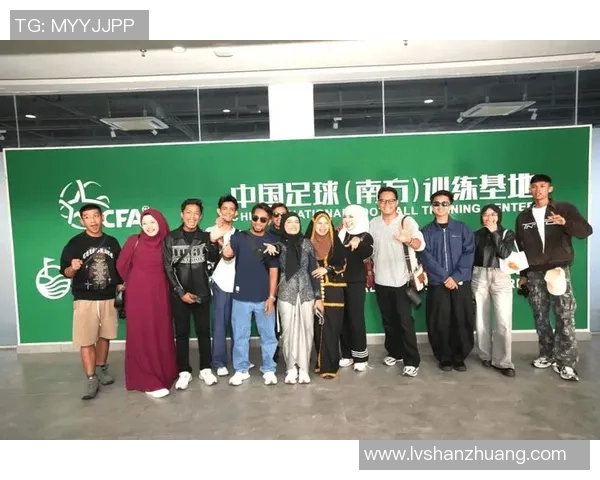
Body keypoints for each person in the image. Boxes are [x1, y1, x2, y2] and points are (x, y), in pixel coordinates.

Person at [515, 173, 593, 382]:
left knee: (564, 315)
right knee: (540, 316)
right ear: (530, 190)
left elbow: (585, 231)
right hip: (534, 271)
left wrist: (565, 222)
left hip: (558, 270)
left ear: (550, 189)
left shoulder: (563, 208)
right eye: (534, 187)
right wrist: (523, 275)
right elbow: (521, 248)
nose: (538, 190)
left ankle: (566, 362)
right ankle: (547, 354)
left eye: (542, 186)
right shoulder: (523, 217)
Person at [59, 204, 122, 400]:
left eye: (96, 216)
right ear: (82, 220)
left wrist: (122, 285)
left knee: (105, 336)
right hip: (85, 298)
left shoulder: (112, 242)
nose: (93, 220)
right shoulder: (75, 243)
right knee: (86, 340)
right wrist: (72, 268)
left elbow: (120, 269)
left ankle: (101, 368)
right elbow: (66, 272)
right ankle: (91, 377)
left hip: (108, 297)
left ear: (102, 217)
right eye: (88, 217)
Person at [117, 209, 178, 398]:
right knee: (142, 334)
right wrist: (137, 281)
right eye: (145, 223)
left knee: (161, 332)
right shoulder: (133, 241)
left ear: (161, 222)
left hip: (161, 295)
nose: (149, 227)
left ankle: (165, 372)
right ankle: (148, 380)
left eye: (152, 222)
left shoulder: (168, 242)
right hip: (139, 297)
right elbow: (121, 265)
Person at [163, 198, 221, 390]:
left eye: (196, 213)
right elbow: (168, 268)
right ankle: (184, 371)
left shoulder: (205, 237)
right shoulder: (171, 238)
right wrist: (180, 292)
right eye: (188, 212)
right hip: (179, 295)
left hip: (202, 293)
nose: (192, 217)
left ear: (201, 216)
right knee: (181, 333)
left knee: (204, 332)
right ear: (182, 214)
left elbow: (214, 260)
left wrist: (213, 243)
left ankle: (206, 368)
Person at [369, 186, 425, 377]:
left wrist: (408, 240)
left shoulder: (406, 221)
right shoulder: (373, 223)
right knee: (388, 320)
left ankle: (412, 361)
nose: (387, 204)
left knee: (404, 321)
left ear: (397, 202)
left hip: (402, 280)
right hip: (381, 280)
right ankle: (395, 352)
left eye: (391, 200)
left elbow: (420, 244)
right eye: (383, 201)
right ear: (378, 203)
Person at [221, 202, 279, 386]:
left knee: (268, 336)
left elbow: (274, 271)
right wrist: (226, 251)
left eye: (263, 219)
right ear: (250, 218)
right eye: (255, 218)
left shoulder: (272, 241)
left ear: (268, 221)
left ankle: (269, 369)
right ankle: (241, 369)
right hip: (241, 297)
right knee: (240, 336)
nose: (258, 222)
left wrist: (271, 297)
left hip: (264, 298)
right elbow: (228, 254)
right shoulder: (239, 237)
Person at [418, 190, 475, 372]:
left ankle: (459, 357)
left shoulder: (462, 228)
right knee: (439, 321)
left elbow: (469, 253)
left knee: (462, 320)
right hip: (438, 283)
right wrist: (444, 277)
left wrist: (456, 277)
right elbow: (426, 257)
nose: (440, 207)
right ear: (431, 207)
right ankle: (444, 357)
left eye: (444, 203)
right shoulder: (426, 232)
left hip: (460, 283)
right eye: (436, 203)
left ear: (450, 206)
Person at [272, 212, 324, 384]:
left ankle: (303, 368)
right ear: (283, 225)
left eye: (296, 222)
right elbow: (270, 255)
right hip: (286, 292)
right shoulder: (279, 244)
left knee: (307, 331)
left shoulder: (307, 243)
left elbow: (313, 270)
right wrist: (271, 249)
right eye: (289, 222)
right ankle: (290, 368)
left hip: (306, 292)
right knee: (288, 332)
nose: (293, 225)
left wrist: (318, 296)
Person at [472, 204, 516, 377]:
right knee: (481, 319)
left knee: (503, 320)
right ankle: (485, 355)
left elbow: (504, 253)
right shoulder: (476, 235)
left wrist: (494, 233)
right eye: (485, 214)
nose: (488, 218)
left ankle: (503, 361)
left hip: (501, 276)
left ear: (498, 216)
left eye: (492, 214)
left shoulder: (507, 234)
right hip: (479, 275)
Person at [305, 211, 348, 379]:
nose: (322, 227)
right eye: (319, 223)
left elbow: (343, 264)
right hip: (312, 292)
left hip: (334, 291)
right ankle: (320, 362)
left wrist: (327, 269)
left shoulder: (336, 243)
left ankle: (330, 366)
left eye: (325, 223)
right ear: (313, 225)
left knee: (332, 328)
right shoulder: (306, 244)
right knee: (318, 328)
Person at [205, 194, 239, 377]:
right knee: (219, 325)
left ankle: (239, 360)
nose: (228, 212)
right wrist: (220, 234)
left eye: (231, 209)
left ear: (236, 213)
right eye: (224, 208)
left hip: (238, 285)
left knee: (238, 326)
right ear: (219, 211)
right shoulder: (210, 231)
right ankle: (218, 362)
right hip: (220, 283)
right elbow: (210, 250)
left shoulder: (240, 234)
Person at [338, 204, 373, 372]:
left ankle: (361, 357)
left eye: (351, 217)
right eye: (345, 216)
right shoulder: (340, 234)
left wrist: (358, 242)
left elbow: (367, 252)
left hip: (355, 283)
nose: (347, 220)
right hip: (338, 282)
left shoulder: (365, 235)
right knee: (342, 319)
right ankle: (347, 355)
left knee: (356, 319)